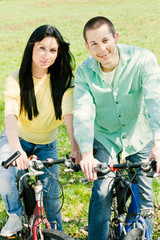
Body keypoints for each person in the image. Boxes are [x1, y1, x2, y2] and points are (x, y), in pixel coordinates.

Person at [73, 16, 160, 240]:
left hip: (138, 134)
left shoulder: (142, 59)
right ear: (87, 46)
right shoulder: (84, 73)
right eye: (94, 44)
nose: (101, 49)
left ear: (116, 37)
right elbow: (83, 112)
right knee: (101, 191)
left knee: (145, 195)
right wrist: (86, 154)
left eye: (105, 40)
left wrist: (158, 144)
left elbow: (155, 101)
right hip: (106, 136)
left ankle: (142, 234)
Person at [0, 24, 80, 237]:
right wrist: (16, 150)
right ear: (31, 48)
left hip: (47, 145)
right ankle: (15, 216)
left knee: (53, 205)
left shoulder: (63, 81)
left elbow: (69, 114)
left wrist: (75, 147)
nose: (47, 55)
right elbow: (10, 116)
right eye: (42, 48)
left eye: (53, 50)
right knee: (6, 175)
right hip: (17, 139)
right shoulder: (16, 78)